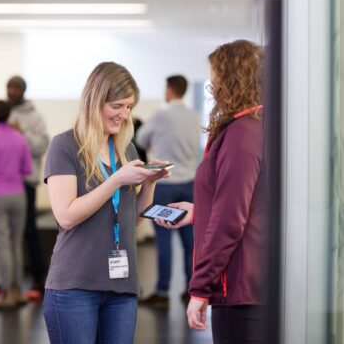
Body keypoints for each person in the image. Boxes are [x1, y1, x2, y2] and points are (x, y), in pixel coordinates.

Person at [42, 61, 170, 344]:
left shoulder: (125, 148)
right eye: (118, 106)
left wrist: (149, 183)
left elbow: (135, 218)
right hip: (74, 286)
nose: (125, 115)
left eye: (129, 107)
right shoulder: (63, 146)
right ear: (95, 101)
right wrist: (116, 180)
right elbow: (65, 216)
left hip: (121, 288)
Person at [155, 40, 265, 343]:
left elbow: (231, 220)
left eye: (215, 76)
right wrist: (197, 212)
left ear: (232, 78)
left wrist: (200, 287)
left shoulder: (242, 133)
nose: (212, 85)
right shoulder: (257, 126)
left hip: (241, 290)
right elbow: (249, 204)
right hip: (252, 284)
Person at [136, 75, 200, 308]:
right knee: (189, 241)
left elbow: (141, 139)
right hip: (190, 184)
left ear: (170, 89)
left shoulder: (161, 115)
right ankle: (191, 289)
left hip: (164, 184)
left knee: (163, 240)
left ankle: (162, 292)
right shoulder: (194, 117)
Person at [0, 100, 33, 309]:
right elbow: (27, 169)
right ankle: (18, 291)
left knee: (1, 245)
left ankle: (7, 292)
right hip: (17, 194)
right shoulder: (20, 139)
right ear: (10, 114)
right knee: (15, 243)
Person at [6, 75, 50, 299]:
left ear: (22, 90)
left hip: (26, 180)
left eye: (15, 88)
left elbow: (43, 144)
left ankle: (38, 280)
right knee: (6, 234)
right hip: (5, 181)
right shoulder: (2, 113)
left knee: (29, 231)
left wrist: (20, 134)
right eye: (8, 88)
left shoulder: (34, 116)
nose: (11, 91)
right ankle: (8, 282)